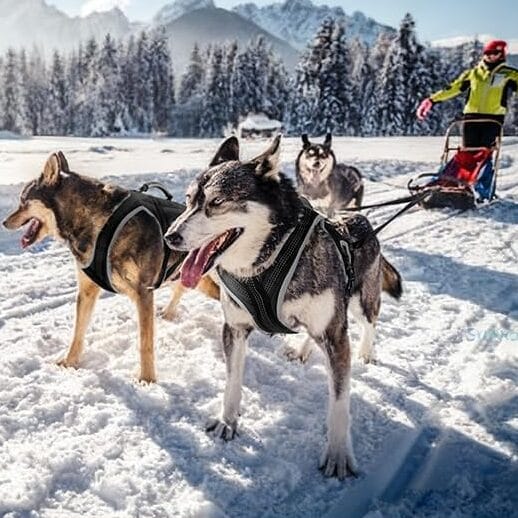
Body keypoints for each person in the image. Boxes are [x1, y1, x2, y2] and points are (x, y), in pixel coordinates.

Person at [416, 39, 518, 148]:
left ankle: (487, 165)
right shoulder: (473, 74)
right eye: (487, 53)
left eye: (494, 53)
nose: (490, 56)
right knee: (467, 152)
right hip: (471, 118)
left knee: (485, 153)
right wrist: (431, 100)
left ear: (501, 55)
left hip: (493, 119)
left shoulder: (510, 74)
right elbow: (453, 88)